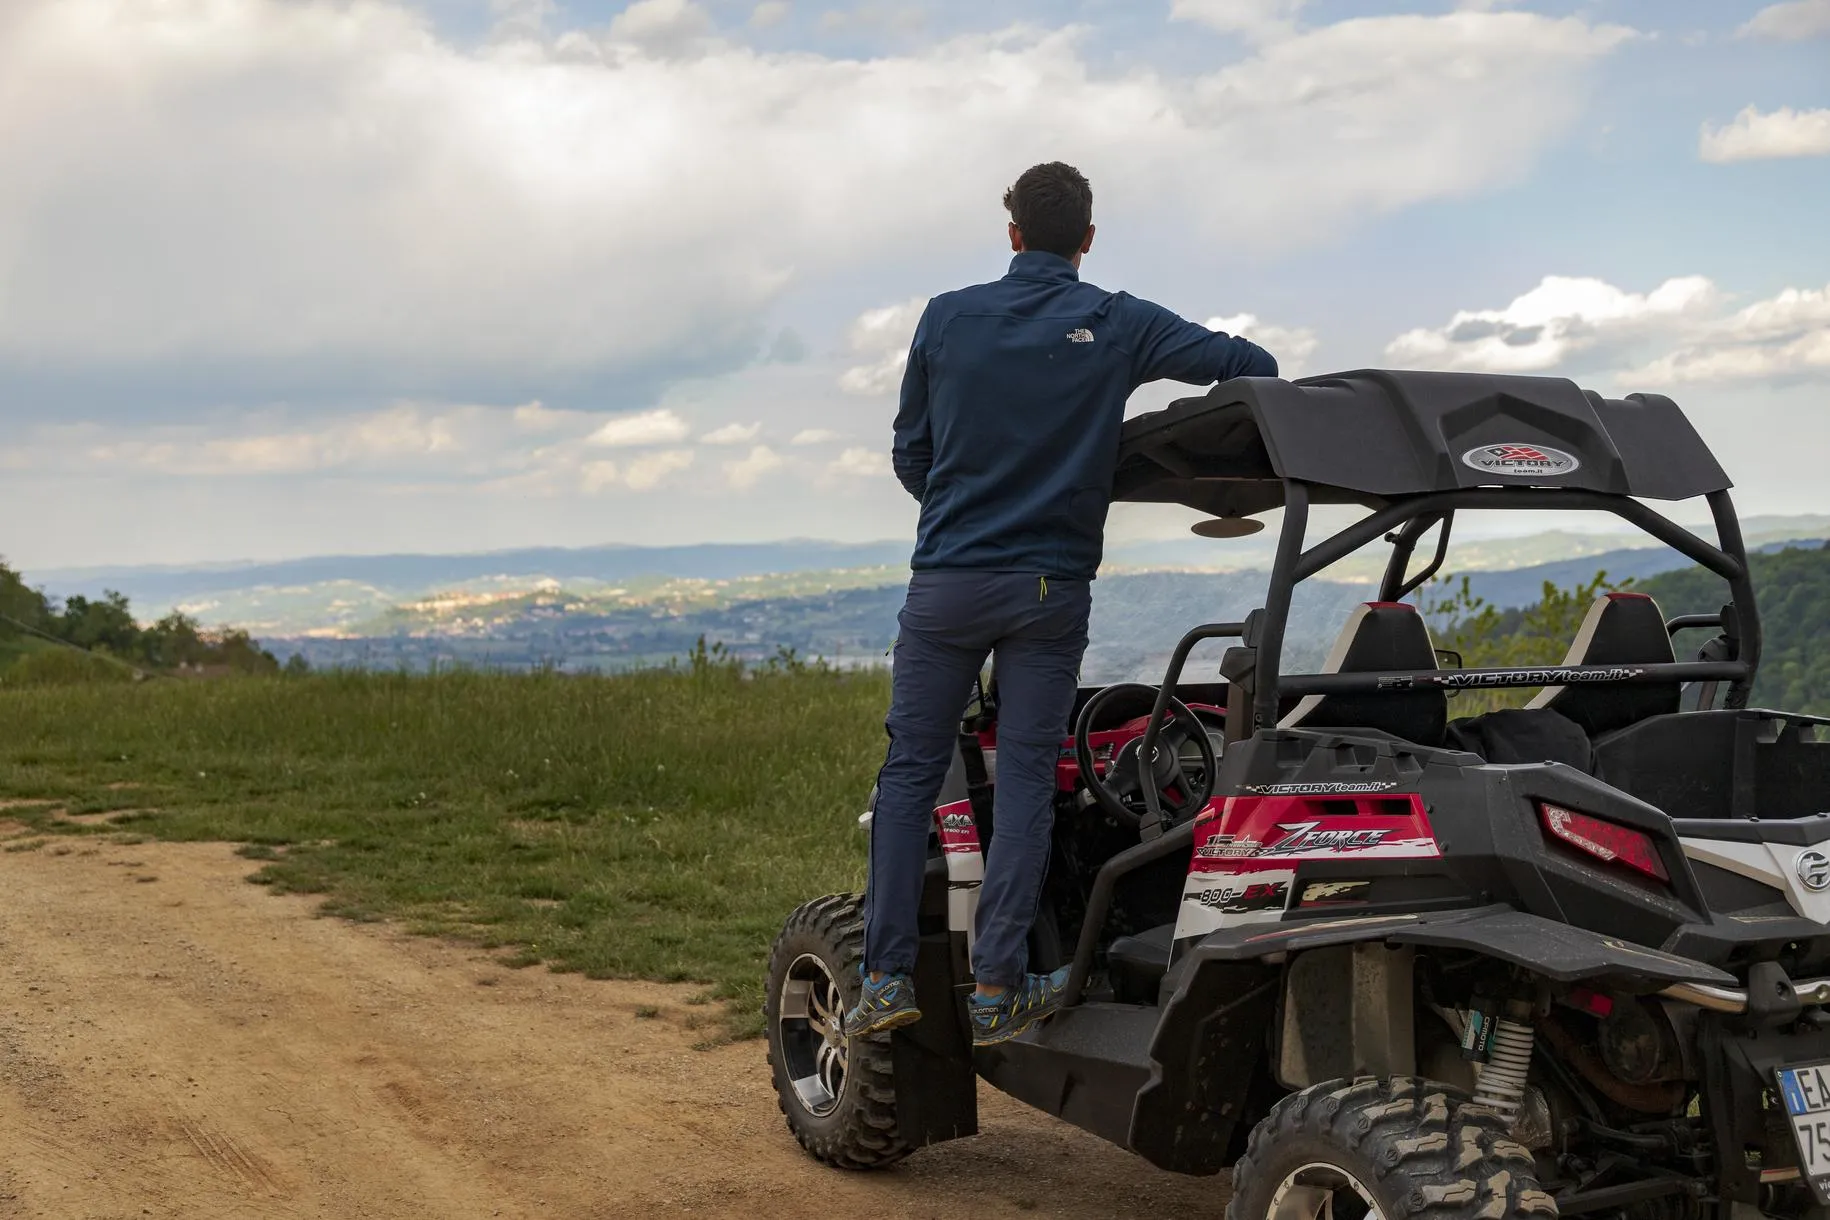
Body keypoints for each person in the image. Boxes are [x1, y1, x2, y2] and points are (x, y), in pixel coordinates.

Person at [845, 161, 1278, 1047]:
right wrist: (1112, 452)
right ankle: (997, 988)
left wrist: (965, 509)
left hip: (947, 580)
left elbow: (910, 453)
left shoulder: (945, 317)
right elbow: (1252, 366)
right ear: (1088, 238)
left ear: (1012, 234)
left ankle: (884, 979)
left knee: (909, 775)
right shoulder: (1117, 321)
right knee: (1028, 780)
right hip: (1048, 590)